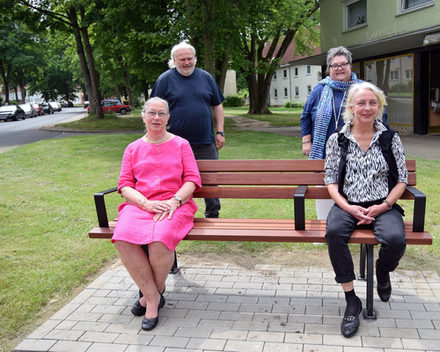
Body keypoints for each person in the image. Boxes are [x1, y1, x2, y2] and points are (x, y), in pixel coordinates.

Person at [324, 82, 408, 338]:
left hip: (382, 203)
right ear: (351, 107)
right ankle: (351, 300)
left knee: (395, 239)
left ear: (379, 107)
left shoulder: (390, 138)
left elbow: (402, 179)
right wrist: (348, 207)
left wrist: (383, 206)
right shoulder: (337, 139)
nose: (367, 108)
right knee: (334, 232)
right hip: (347, 204)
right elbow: (331, 182)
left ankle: (382, 270)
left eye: (373, 103)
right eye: (361, 103)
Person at [111, 97, 201, 331]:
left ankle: (149, 301)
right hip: (141, 206)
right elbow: (124, 184)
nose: (156, 118)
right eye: (152, 113)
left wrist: (175, 201)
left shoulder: (181, 144)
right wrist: (145, 203)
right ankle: (153, 296)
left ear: (168, 118)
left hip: (175, 205)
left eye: (162, 114)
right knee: (122, 238)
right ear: (143, 116)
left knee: (160, 239)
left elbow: (192, 179)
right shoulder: (133, 148)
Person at [300, 46, 388, 219]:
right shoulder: (320, 89)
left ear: (350, 65)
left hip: (358, 150)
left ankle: (354, 225)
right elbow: (305, 116)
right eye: (334, 65)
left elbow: (380, 115)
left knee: (355, 188)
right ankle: (326, 225)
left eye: (343, 64)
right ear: (329, 69)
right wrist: (306, 141)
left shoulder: (363, 88)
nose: (339, 68)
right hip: (324, 151)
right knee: (325, 189)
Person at [150, 40, 225, 218]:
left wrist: (220, 131)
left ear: (195, 59)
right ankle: (174, 215)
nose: (186, 62)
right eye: (182, 59)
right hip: (173, 144)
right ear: (174, 61)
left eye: (189, 58)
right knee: (173, 181)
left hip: (205, 141)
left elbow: (218, 106)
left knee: (210, 180)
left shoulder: (205, 77)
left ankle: (213, 215)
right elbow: (154, 110)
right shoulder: (165, 80)